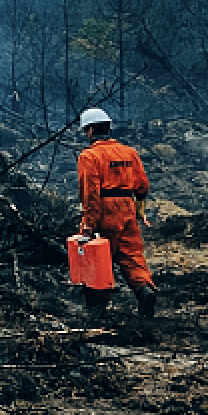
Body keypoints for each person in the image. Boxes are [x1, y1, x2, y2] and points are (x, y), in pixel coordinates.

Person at [76, 107, 157, 317]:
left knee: (98, 257)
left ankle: (97, 308)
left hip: (104, 210)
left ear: (91, 130)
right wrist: (140, 211)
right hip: (127, 208)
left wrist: (89, 225)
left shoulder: (89, 156)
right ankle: (144, 290)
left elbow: (90, 195)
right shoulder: (130, 153)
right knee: (132, 255)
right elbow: (143, 187)